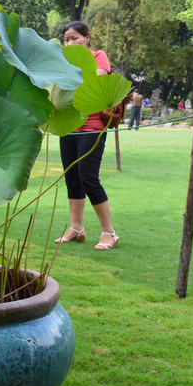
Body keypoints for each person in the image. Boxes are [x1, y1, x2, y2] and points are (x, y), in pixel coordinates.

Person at [55, 21, 119, 250]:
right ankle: (77, 228)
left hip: (91, 127)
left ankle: (109, 233)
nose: (69, 42)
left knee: (88, 177)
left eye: (74, 38)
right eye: (66, 39)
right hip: (68, 125)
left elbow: (97, 82)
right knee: (72, 178)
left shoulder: (98, 56)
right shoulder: (63, 61)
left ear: (87, 37)